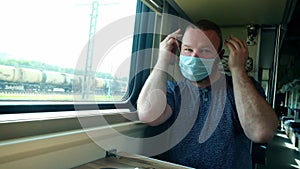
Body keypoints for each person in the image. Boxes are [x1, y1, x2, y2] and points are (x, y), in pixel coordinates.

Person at [137, 19, 278, 169]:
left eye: (205, 51)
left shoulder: (241, 89)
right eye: (188, 50)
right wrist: (163, 60)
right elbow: (148, 115)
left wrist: (238, 70)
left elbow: (261, 132)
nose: (193, 58)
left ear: (219, 55)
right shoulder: (174, 91)